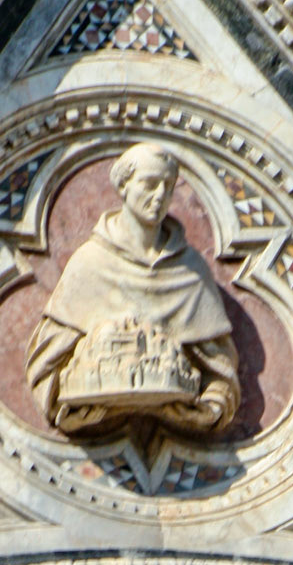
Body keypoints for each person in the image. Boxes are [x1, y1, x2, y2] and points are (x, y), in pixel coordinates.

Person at [26, 143, 240, 435]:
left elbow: (221, 370)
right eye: (149, 184)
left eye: (168, 186)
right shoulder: (90, 263)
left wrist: (210, 408)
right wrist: (64, 411)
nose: (160, 195)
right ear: (124, 186)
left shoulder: (191, 270)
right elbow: (46, 365)